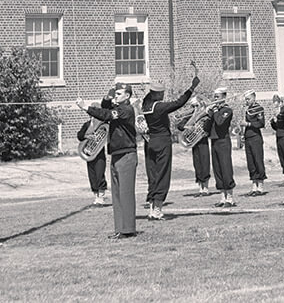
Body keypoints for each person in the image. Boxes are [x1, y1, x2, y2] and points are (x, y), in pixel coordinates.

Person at [77, 83, 139, 239]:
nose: (116, 96)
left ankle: (129, 229)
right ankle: (120, 229)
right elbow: (106, 107)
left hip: (126, 155)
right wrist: (108, 95)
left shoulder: (126, 110)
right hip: (117, 154)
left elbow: (107, 115)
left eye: (119, 94)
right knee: (117, 196)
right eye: (116, 93)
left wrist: (86, 107)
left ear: (127, 96)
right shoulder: (118, 106)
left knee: (125, 195)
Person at [139, 76, 198, 220]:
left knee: (153, 175)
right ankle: (158, 210)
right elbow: (179, 103)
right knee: (163, 175)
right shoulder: (159, 107)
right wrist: (191, 88)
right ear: (158, 94)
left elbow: (151, 98)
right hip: (162, 141)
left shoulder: (146, 105)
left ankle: (152, 209)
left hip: (150, 142)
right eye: (162, 93)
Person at [77, 94, 111, 206]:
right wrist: (87, 137)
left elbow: (105, 134)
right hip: (88, 152)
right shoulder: (87, 124)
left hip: (99, 153)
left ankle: (101, 196)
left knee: (99, 174)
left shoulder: (103, 124)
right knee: (92, 175)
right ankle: (95, 196)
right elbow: (79, 135)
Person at [176, 97, 213, 196]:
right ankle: (200, 188)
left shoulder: (206, 115)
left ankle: (206, 188)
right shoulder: (190, 115)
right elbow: (179, 125)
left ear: (201, 104)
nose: (195, 108)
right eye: (193, 106)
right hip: (194, 143)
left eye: (197, 105)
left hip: (203, 141)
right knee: (197, 164)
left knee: (205, 164)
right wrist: (188, 126)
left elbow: (209, 126)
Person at [208, 88, 237, 207]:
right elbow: (208, 125)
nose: (215, 99)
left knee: (225, 168)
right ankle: (222, 197)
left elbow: (220, 122)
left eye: (217, 97)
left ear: (223, 97)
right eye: (214, 97)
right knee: (217, 169)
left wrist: (214, 111)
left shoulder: (227, 110)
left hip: (223, 141)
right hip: (214, 141)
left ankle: (230, 197)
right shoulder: (215, 111)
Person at [242, 90, 267, 195]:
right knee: (251, 162)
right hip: (248, 137)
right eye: (246, 99)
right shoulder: (248, 109)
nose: (246, 101)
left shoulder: (258, 108)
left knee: (257, 160)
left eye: (248, 99)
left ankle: (260, 185)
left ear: (254, 98)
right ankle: (254, 185)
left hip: (255, 137)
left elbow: (261, 123)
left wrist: (248, 124)